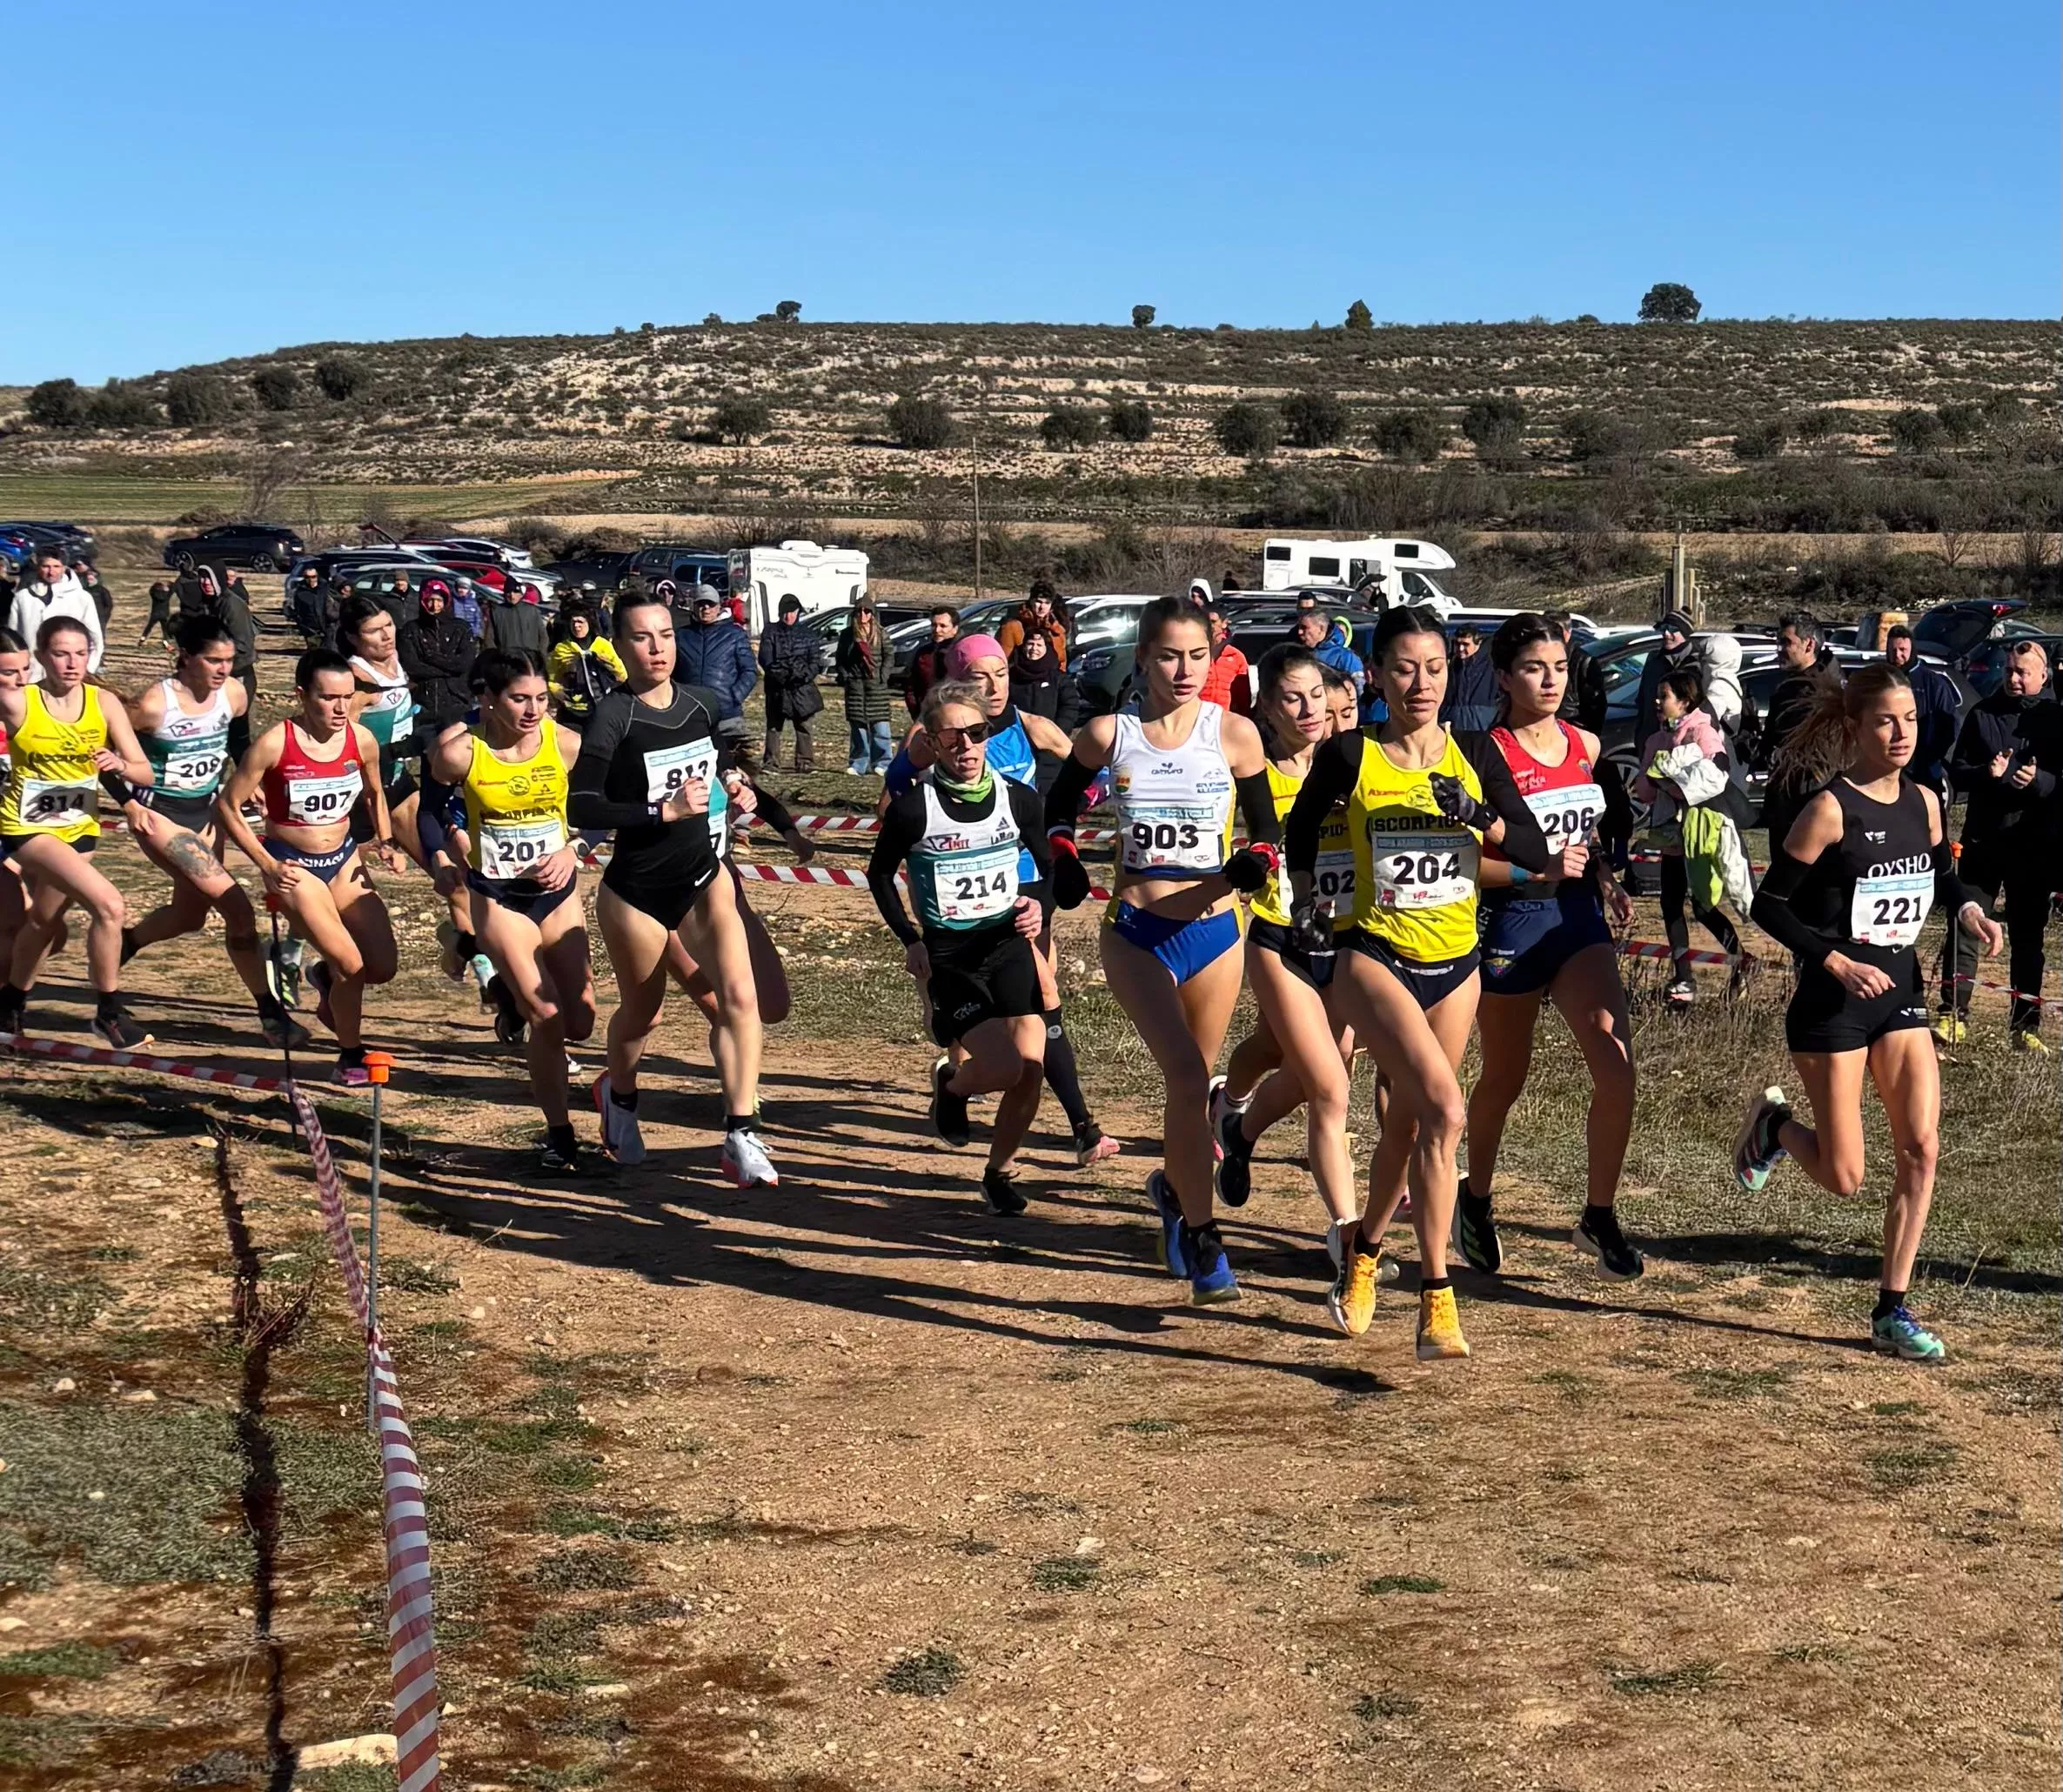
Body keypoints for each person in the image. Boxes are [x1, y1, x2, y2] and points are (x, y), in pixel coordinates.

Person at [1282, 605, 1551, 1356]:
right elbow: (1301, 829)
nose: (1420, 683)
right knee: (1446, 1109)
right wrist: (1308, 898)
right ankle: (1436, 1294)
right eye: (1403, 668)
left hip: (1456, 963)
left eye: (1434, 668)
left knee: (1409, 1123)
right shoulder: (1350, 754)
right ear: (1376, 675)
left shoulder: (1473, 751)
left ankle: (1363, 1249)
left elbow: (1529, 845)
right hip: (1374, 956)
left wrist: (1478, 815)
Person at [1738, 665, 2004, 1361]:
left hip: (1900, 997)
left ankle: (1892, 1307)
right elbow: (1767, 905)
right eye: (1885, 721)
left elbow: (1937, 874)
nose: (1900, 733)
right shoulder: (1829, 809)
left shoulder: (1922, 800)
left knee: (1921, 1149)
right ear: (1854, 727)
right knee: (1843, 1176)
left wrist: (1968, 903)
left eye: (1909, 719)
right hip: (1831, 1006)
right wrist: (1829, 959)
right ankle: (1772, 1127)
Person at [1046, 598, 1277, 1303]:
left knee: (1193, 1082)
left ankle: (1175, 1195)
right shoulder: (1108, 736)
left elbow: (1268, 831)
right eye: (1170, 656)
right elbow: (1058, 807)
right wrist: (1061, 853)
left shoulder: (1234, 735)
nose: (1184, 670)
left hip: (1214, 930)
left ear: (1214, 658)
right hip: (1137, 931)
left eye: (1197, 656)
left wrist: (1255, 862)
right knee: (1183, 1076)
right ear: (1142, 657)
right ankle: (1208, 1242)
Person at [1457, 615, 1644, 1283]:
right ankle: (1474, 1197)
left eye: (1560, 668)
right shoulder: (1483, 751)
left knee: (1616, 1067)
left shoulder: (1583, 743)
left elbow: (1583, 838)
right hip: (1511, 923)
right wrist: (1531, 872)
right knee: (1505, 1079)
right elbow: (1461, 862)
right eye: (1534, 669)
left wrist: (1603, 878)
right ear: (1503, 677)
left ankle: (1598, 1213)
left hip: (1575, 921)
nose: (1550, 681)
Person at [567, 596, 776, 1187]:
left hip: (702, 876)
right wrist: (659, 811)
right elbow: (581, 803)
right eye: (641, 638)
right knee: (643, 1015)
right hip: (635, 891)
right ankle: (620, 1096)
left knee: (741, 999)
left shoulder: (701, 704)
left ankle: (740, 1133)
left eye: (664, 635)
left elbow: (719, 759)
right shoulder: (614, 715)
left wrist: (736, 783)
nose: (657, 648)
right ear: (621, 646)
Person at [898, 635, 1118, 1165]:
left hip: (1026, 885)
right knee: (961, 1022)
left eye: (1001, 673)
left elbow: (1095, 773)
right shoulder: (931, 738)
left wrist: (1075, 806)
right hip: (959, 896)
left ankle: (1080, 1124)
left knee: (1044, 993)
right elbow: (894, 798)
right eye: (980, 676)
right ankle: (957, 1074)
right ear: (956, 680)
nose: (994, 686)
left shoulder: (1030, 726)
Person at [1210, 644, 1366, 1321]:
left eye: (1318, 699)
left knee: (1290, 1059)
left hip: (1348, 939)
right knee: (1330, 1084)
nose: (1310, 712)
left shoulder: (1356, 764)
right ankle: (1347, 1237)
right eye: (1293, 699)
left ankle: (1237, 1125)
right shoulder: (1249, 772)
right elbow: (1219, 851)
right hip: (1277, 936)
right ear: (1266, 707)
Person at [869, 680, 1054, 1214]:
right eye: (952, 738)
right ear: (930, 742)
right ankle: (952, 1087)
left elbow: (1045, 868)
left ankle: (999, 1173)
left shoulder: (1019, 800)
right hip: (951, 955)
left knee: (1031, 1067)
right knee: (1002, 1068)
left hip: (1008, 944)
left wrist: (1037, 904)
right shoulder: (913, 809)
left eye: (977, 734)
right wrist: (910, 939)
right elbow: (880, 876)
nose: (967, 748)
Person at [427, 651, 597, 1174]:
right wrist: (442, 849)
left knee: (582, 1021)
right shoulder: (460, 754)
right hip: (497, 895)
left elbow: (595, 812)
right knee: (546, 1016)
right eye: (520, 699)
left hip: (558, 891)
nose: (533, 710)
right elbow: (430, 809)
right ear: (489, 700)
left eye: (542, 699)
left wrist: (576, 848)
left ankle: (483, 968)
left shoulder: (566, 744)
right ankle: (560, 1135)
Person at [117, 617, 307, 1049]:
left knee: (189, 916)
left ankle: (119, 947)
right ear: (183, 657)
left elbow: (238, 744)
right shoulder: (152, 705)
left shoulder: (234, 694)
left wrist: (249, 782)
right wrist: (128, 801)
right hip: (161, 816)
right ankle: (270, 1013)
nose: (223, 669)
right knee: (238, 908)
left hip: (206, 813)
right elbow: (107, 748)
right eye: (213, 661)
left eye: (229, 660)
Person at [215, 649, 399, 1086]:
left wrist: (386, 840)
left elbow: (374, 794)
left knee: (382, 966)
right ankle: (349, 1056)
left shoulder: (362, 740)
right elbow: (229, 805)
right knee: (352, 964)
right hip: (294, 867)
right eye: (327, 698)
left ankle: (321, 978)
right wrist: (265, 863)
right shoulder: (276, 742)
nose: (339, 708)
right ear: (302, 695)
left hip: (344, 859)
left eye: (347, 697)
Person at [0, 617, 155, 1046]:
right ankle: (108, 1012)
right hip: (28, 827)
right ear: (41, 658)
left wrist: (118, 765)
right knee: (109, 905)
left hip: (80, 828)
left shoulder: (103, 702)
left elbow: (143, 771)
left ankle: (10, 1002)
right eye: (61, 654)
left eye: (81, 653)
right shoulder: (18, 701)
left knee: (45, 921)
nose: (72, 663)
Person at [1939, 639, 2060, 1049]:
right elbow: (1957, 772)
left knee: (2028, 939)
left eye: (2022, 672)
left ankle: (2024, 1027)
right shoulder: (1982, 714)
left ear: (2042, 676)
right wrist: (1985, 773)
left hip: (2032, 846)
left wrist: (2040, 782)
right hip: (1984, 841)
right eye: (2009, 669)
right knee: (1965, 926)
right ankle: (1953, 1015)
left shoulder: (2055, 719)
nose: (2013, 678)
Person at [1635, 668, 1752, 1009]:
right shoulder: (1655, 741)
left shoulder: (1703, 731)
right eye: (1657, 696)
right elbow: (1644, 790)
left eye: (1665, 697)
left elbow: (1715, 776)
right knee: (1670, 905)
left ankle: (1739, 959)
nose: (1658, 702)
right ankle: (1683, 979)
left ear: (1685, 702)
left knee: (1703, 907)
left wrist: (1670, 777)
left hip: (1701, 834)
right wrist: (1659, 772)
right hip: (1671, 836)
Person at [1758, 612, 1839, 853]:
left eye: (1787, 642)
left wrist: (1776, 755)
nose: (1780, 649)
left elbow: (1815, 757)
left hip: (1805, 801)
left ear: (1809, 645)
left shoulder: (1819, 692)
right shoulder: (1794, 685)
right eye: (1778, 642)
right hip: (1791, 798)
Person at [1883, 625, 1959, 794]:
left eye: (1903, 650)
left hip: (1924, 769)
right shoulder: (1880, 679)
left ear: (1912, 650)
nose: (1897, 655)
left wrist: (1931, 756)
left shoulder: (1932, 683)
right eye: (1893, 650)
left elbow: (1950, 724)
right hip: (1887, 765)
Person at [8, 550, 105, 679]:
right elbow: (12, 638)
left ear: (64, 568)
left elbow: (95, 637)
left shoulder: (81, 598)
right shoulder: (23, 597)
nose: (51, 571)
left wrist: (88, 668)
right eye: (46, 566)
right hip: (31, 674)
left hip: (67, 673)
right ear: (38, 567)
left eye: (56, 566)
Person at [398, 580, 478, 732]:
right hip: (424, 701)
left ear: (446, 601)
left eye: (439, 600)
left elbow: (465, 664)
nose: (435, 606)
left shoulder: (460, 628)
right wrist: (449, 670)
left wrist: (432, 659)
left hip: (457, 699)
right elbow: (412, 666)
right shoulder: (411, 630)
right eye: (430, 600)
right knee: (427, 748)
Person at [758, 593, 823, 769]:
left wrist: (803, 675)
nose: (789, 616)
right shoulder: (770, 631)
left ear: (798, 612)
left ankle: (805, 761)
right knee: (774, 727)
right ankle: (771, 762)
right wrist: (783, 675)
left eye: (792, 612)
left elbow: (815, 660)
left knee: (804, 726)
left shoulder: (808, 634)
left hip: (802, 688)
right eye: (785, 612)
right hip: (777, 688)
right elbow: (766, 660)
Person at [836, 596, 896, 775]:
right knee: (859, 729)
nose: (863, 615)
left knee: (881, 728)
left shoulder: (881, 634)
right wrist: (846, 676)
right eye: (860, 611)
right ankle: (858, 763)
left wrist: (883, 676)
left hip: (876, 687)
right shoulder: (848, 635)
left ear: (872, 614)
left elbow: (889, 656)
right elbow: (841, 659)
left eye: (867, 611)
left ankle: (883, 762)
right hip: (856, 687)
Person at [547, 602, 626, 726]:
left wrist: (607, 665)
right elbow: (550, 678)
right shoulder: (562, 649)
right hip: (572, 711)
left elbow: (622, 675)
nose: (576, 626)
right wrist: (558, 692)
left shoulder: (603, 645)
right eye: (573, 622)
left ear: (589, 623)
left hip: (601, 707)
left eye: (580, 622)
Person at [1634, 610, 1696, 743]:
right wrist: (1640, 734)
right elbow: (1642, 700)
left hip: (1683, 742)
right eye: (1664, 629)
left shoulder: (1696, 663)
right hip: (1650, 739)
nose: (1666, 634)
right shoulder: (1653, 660)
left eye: (1673, 629)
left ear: (1684, 632)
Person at [1006, 625, 1080, 733]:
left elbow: (1070, 706)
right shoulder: (1012, 676)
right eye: (1030, 644)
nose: (1034, 649)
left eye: (1039, 645)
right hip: (1016, 737)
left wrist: (1058, 732)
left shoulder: (1058, 678)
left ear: (1046, 648)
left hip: (1051, 737)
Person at [1293, 607, 1363, 709]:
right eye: (1299, 627)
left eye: (1304, 627)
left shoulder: (1346, 658)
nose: (1300, 632)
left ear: (1321, 629)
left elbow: (1360, 693)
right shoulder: (1299, 655)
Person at [903, 605, 961, 719]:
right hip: (926, 714)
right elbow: (911, 685)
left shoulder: (960, 652)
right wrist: (916, 711)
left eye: (943, 626)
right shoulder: (923, 653)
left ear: (955, 629)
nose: (937, 630)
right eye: (934, 625)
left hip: (953, 715)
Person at [1439, 622, 1497, 732]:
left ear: (1478, 643)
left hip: (1481, 728)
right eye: (1457, 644)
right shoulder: (1451, 664)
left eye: (1466, 644)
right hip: (1453, 729)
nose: (1460, 648)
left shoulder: (1491, 665)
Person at [995, 581, 1068, 665]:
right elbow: (1002, 662)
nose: (1042, 607)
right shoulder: (1013, 627)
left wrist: (1060, 676)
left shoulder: (1056, 629)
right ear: (1031, 601)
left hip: (1050, 676)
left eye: (1047, 603)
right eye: (1039, 602)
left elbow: (1062, 661)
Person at [1197, 605, 1251, 716]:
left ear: (1224, 623)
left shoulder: (1236, 656)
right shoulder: (1194, 653)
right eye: (1205, 621)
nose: (1209, 626)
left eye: (1213, 621)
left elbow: (1243, 698)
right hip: (1197, 719)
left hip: (1226, 721)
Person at [483, 579, 549, 665]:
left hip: (531, 660)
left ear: (521, 593)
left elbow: (543, 636)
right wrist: (496, 657)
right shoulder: (496, 611)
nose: (512, 595)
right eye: (508, 592)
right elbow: (489, 639)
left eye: (515, 592)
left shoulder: (532, 611)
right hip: (506, 661)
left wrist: (540, 654)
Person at [287, 565, 332, 646]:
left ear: (317, 577)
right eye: (307, 577)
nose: (311, 579)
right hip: (311, 630)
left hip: (328, 629)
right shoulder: (300, 592)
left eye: (313, 577)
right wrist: (303, 626)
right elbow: (295, 611)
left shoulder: (325, 589)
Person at [75, 558, 116, 632]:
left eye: (92, 576)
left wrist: (103, 617)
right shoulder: (80, 591)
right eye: (88, 577)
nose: (90, 577)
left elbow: (108, 605)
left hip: (99, 618)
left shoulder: (102, 591)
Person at [139, 578, 177, 645]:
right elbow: (173, 589)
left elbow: (151, 590)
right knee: (165, 630)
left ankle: (143, 638)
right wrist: (170, 585)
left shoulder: (154, 594)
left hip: (155, 614)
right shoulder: (167, 595)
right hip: (164, 614)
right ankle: (166, 643)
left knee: (149, 627)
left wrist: (155, 585)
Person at [447, 573, 485, 640]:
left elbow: (478, 620)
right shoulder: (451, 601)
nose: (462, 590)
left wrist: (475, 634)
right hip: (456, 635)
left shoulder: (473, 603)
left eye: (465, 588)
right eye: (460, 588)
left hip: (471, 636)